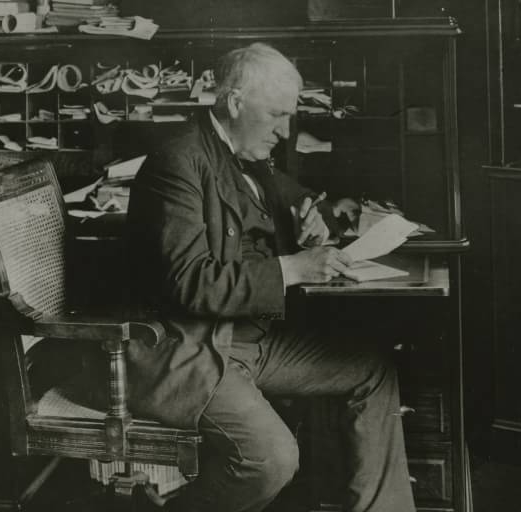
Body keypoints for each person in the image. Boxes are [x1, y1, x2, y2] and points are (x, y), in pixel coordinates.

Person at [125, 42, 416, 512]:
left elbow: (296, 194)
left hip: (251, 340)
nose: (286, 129)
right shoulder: (177, 163)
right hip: (191, 349)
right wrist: (293, 267)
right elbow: (189, 282)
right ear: (236, 103)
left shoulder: (247, 157)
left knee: (372, 369)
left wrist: (315, 212)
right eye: (277, 115)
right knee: (271, 459)